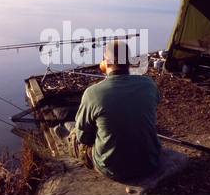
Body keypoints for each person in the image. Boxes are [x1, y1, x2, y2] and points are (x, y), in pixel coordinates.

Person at [55, 40, 161, 181]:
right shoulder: (149, 84)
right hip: (150, 161)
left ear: (106, 63)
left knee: (77, 135)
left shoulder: (92, 93)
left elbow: (84, 138)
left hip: (114, 169)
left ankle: (68, 140)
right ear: (129, 62)